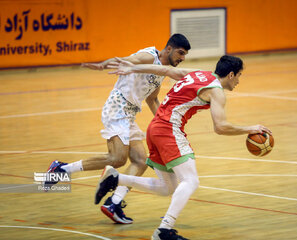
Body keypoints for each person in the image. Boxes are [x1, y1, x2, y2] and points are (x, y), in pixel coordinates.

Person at [95, 55, 272, 239]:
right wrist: (250, 128)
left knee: (166, 187)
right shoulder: (216, 91)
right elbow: (220, 127)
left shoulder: (200, 74)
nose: (238, 81)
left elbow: (167, 70)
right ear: (231, 74)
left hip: (155, 128)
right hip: (168, 130)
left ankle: (116, 179)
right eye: (239, 76)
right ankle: (164, 230)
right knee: (191, 180)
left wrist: (133, 68)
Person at [44, 34, 191, 224]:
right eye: (181, 53)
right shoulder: (149, 56)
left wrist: (165, 123)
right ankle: (61, 168)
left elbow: (152, 99)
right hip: (117, 109)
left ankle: (114, 203)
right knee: (117, 159)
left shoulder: (161, 70)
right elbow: (126, 61)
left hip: (129, 114)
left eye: (185, 55)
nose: (182, 58)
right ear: (169, 49)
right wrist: (104, 64)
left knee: (140, 161)